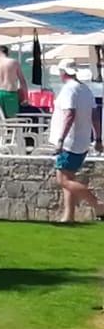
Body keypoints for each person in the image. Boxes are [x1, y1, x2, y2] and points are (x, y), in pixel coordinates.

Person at [50, 59, 104, 222]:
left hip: (69, 143)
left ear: (63, 72)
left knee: (63, 180)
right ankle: (68, 216)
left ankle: (98, 205)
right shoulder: (85, 90)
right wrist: (98, 138)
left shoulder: (69, 90)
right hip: (82, 141)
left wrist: (60, 140)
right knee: (69, 178)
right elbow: (95, 116)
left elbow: (69, 115)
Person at [0, 45, 27, 118]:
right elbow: (22, 81)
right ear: (7, 53)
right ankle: (13, 129)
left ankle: (0, 130)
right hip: (10, 92)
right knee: (12, 120)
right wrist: (26, 97)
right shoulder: (14, 62)